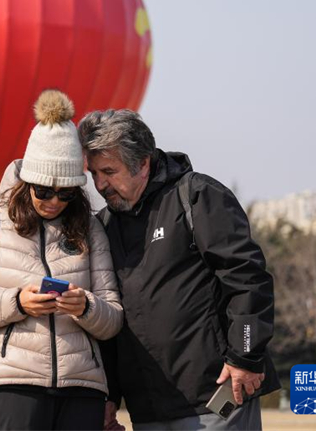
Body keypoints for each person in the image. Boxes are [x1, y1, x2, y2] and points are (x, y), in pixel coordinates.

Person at [76, 109, 281, 430]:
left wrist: (245, 356)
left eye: (109, 171)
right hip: (148, 411)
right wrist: (110, 395)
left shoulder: (197, 196)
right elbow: (110, 320)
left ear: (142, 163)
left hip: (217, 397)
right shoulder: (104, 226)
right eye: (93, 174)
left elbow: (248, 279)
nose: (100, 185)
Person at [0, 90, 124, 431]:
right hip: (11, 386)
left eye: (66, 193)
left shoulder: (91, 231)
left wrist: (84, 306)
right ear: (26, 181)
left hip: (82, 388)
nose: (53, 201)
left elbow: (113, 318)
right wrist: (18, 301)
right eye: (43, 191)